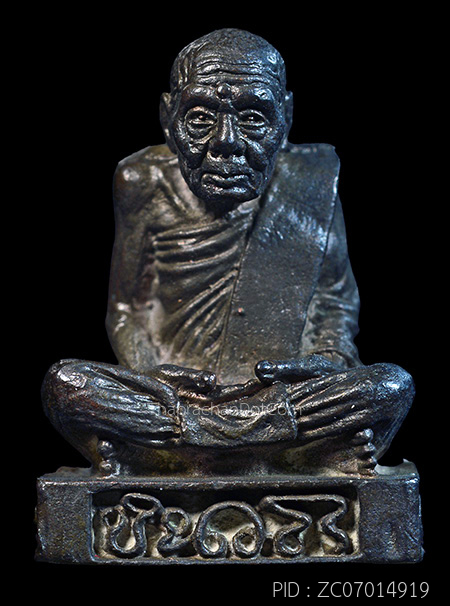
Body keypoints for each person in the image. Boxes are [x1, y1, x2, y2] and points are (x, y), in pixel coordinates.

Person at [42, 29, 414, 476]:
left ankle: (195, 443)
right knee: (66, 384)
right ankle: (278, 445)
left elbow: (334, 300)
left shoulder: (310, 181)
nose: (227, 142)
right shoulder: (143, 181)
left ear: (286, 118)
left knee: (390, 384)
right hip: (181, 398)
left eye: (254, 118)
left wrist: (326, 362)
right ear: (167, 118)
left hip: (278, 394)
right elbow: (128, 308)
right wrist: (149, 376)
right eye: (200, 118)